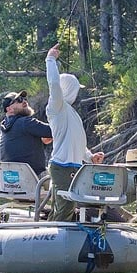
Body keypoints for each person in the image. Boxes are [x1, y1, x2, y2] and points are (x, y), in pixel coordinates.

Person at [45, 43, 104, 221]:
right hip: (62, 168)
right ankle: (53, 243)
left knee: (62, 210)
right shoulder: (56, 107)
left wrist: (90, 157)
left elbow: (77, 143)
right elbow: (54, 84)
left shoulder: (71, 113)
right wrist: (50, 59)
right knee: (65, 210)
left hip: (74, 168)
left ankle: (47, 232)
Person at [0, 90, 53, 177]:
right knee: (60, 182)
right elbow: (55, 130)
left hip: (10, 181)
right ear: (9, 109)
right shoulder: (25, 122)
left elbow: (23, 146)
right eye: (19, 100)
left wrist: (42, 141)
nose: (24, 101)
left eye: (24, 99)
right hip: (34, 179)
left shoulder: (4, 126)